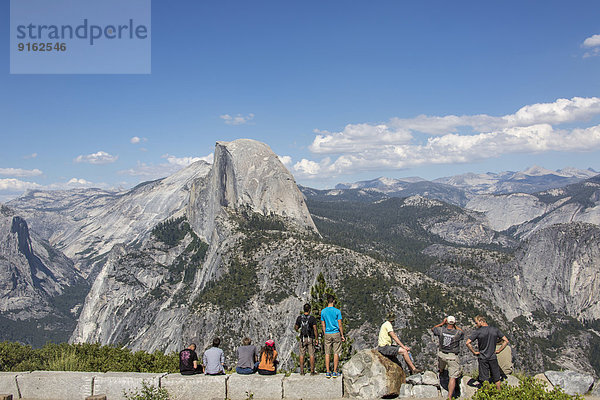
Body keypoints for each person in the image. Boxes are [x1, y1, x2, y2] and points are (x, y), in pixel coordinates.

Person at [465, 315, 509, 390]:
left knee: (485, 379)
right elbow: (506, 341)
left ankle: (488, 394)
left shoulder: (478, 332)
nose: (476, 325)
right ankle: (500, 393)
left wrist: (474, 352)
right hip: (493, 357)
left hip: (483, 358)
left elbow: (467, 343)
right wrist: (499, 350)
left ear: (481, 321)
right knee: (497, 378)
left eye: (476, 323)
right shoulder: (495, 330)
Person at [432, 316, 464, 399]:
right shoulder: (457, 333)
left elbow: (433, 328)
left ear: (446, 321)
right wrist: (455, 325)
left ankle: (441, 371)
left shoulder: (441, 330)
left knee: (441, 364)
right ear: (454, 322)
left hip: (442, 355)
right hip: (452, 356)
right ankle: (449, 397)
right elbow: (462, 332)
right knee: (452, 377)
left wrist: (442, 323)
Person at [321, 294, 345, 378]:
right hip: (336, 333)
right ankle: (335, 371)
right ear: (334, 301)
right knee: (336, 353)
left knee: (327, 353)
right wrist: (342, 335)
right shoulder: (337, 311)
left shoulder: (323, 311)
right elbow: (340, 324)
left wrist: (325, 333)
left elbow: (323, 324)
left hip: (327, 333)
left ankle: (328, 371)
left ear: (327, 301)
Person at [295, 303, 319, 375]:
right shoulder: (312, 318)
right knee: (311, 354)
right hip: (310, 338)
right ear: (309, 310)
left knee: (302, 354)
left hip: (302, 338)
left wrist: (299, 330)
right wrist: (316, 338)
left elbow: (296, 327)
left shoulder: (299, 318)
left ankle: (302, 371)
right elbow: (315, 329)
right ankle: (312, 371)